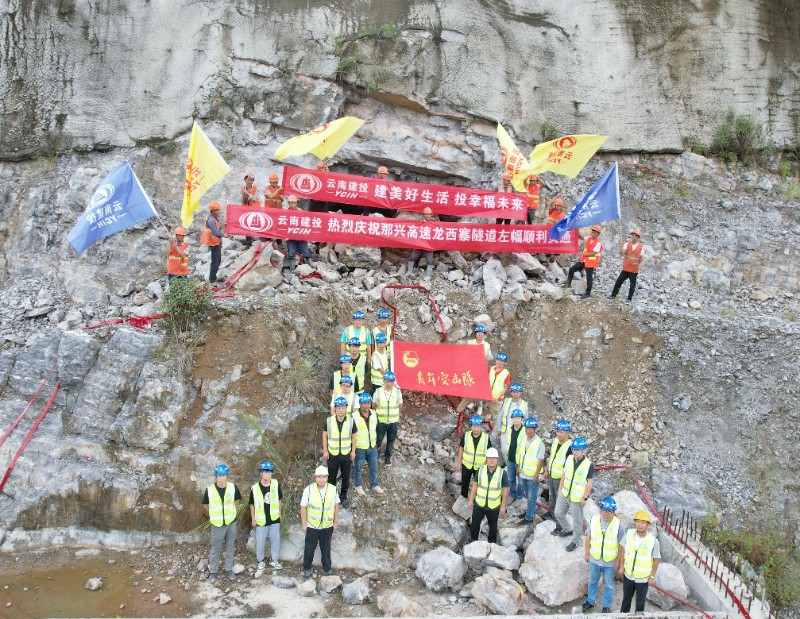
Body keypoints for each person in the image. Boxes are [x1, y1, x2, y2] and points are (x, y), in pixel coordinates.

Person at [583, 496, 624, 613]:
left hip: (610, 561)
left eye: (609, 511)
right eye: (604, 510)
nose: (606, 513)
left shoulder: (618, 524)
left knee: (609, 585)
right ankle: (590, 601)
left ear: (613, 512)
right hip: (594, 559)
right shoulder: (594, 520)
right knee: (593, 582)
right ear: (601, 510)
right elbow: (588, 537)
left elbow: (622, 545)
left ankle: (606, 606)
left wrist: (619, 562)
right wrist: (587, 553)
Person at [553, 436, 593, 552]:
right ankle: (568, 529)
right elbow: (564, 474)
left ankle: (575, 541)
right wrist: (560, 488)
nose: (574, 452)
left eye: (577, 450)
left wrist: (584, 497)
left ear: (583, 450)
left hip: (577, 497)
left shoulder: (588, 464)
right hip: (565, 493)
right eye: (573, 449)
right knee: (558, 513)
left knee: (577, 520)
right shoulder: (569, 458)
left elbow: (589, 483)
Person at [202, 463, 241, 582]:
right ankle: (213, 571)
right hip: (218, 524)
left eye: (224, 475)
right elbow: (205, 504)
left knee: (230, 547)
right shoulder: (210, 490)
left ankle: (229, 569)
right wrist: (213, 513)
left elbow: (237, 500)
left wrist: (231, 511)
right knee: (215, 548)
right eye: (219, 476)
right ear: (216, 477)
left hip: (231, 522)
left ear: (226, 476)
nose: (222, 478)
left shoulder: (233, 487)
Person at [300, 465, 340, 579]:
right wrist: (304, 524)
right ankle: (307, 568)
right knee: (309, 549)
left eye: (324, 477)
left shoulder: (333, 489)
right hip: (312, 526)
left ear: (327, 477)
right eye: (319, 477)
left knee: (326, 549)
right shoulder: (309, 489)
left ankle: (326, 569)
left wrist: (335, 522)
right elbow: (303, 507)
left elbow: (336, 506)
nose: (321, 479)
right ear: (315, 477)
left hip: (327, 526)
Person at [619, 511, 661, 613]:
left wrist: (652, 577)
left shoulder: (653, 541)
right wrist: (621, 566)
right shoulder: (629, 534)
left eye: (643, 523)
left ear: (648, 525)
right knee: (626, 600)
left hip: (643, 579)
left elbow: (656, 559)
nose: (640, 525)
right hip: (628, 575)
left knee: (640, 603)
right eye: (638, 522)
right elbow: (622, 548)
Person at [467, 447, 509, 543]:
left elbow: (505, 490)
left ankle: (492, 543)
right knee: (475, 524)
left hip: (494, 506)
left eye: (494, 458)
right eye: (490, 458)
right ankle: (473, 540)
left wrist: (503, 506)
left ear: (497, 459)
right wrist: (470, 500)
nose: (492, 460)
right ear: (486, 459)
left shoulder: (502, 473)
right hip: (479, 503)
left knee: (493, 526)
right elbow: (475, 485)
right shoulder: (481, 470)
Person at [457, 353, 511, 424]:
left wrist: (497, 397)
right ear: (496, 360)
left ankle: (497, 429)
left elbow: (505, 388)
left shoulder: (506, 373)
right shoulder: (492, 369)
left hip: (496, 399)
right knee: (469, 396)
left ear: (504, 363)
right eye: (498, 360)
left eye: (502, 361)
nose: (500, 362)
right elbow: (483, 371)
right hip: (486, 394)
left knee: (496, 417)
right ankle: (458, 411)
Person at [322, 398, 356, 508]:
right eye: (339, 408)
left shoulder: (351, 421)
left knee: (346, 476)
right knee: (331, 476)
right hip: (333, 454)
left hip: (346, 454)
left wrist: (353, 451)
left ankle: (343, 496)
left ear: (346, 409)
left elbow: (354, 437)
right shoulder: (328, 421)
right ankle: (332, 496)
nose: (341, 410)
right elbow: (324, 436)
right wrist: (325, 450)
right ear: (335, 409)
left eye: (343, 408)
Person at [249, 461, 282, 572]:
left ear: (272, 473)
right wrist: (253, 518)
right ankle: (260, 561)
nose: (267, 474)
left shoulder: (276, 484)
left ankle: (274, 560)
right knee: (260, 542)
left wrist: (280, 514)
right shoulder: (254, 488)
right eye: (265, 472)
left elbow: (279, 500)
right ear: (261, 473)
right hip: (261, 520)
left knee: (275, 540)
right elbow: (252, 504)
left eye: (269, 472)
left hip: (274, 518)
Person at [353, 392, 384, 496]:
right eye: (364, 403)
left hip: (372, 446)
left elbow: (377, 428)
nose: (366, 405)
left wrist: (378, 443)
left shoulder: (373, 413)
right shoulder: (354, 416)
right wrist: (352, 449)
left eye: (368, 403)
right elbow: (351, 434)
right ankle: (358, 485)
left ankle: (375, 484)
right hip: (360, 448)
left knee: (374, 467)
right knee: (358, 468)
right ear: (360, 404)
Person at [542, 419, 573, 520]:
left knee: (560, 498)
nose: (558, 434)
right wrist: (547, 470)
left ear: (567, 433)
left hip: (561, 478)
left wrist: (562, 483)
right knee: (553, 496)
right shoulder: (555, 441)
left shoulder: (570, 447)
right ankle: (551, 513)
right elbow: (551, 456)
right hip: (552, 474)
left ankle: (559, 517)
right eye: (558, 431)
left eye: (561, 432)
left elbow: (568, 467)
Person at [516, 417, 545, 524]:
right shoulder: (524, 439)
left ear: (534, 429)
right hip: (523, 473)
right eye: (526, 428)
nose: (528, 431)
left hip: (532, 475)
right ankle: (530, 512)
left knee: (532, 497)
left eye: (530, 429)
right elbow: (521, 455)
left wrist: (536, 475)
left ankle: (529, 518)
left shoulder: (539, 443)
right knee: (528, 496)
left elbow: (541, 460)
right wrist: (519, 467)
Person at [456, 415, 491, 499]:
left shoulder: (486, 438)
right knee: (464, 484)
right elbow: (461, 449)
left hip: (479, 467)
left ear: (481, 427)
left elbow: (489, 453)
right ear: (471, 426)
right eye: (474, 427)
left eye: (478, 427)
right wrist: (459, 463)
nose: (476, 429)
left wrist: (486, 466)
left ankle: (477, 500)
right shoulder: (466, 435)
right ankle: (463, 498)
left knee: (479, 485)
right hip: (466, 465)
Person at [565, 224, 603, 299]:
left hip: (591, 263)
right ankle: (568, 284)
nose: (593, 234)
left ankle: (588, 293)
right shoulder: (589, 238)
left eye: (595, 233)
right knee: (572, 269)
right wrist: (577, 229)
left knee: (589, 277)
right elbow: (579, 237)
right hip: (584, 260)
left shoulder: (598, 243)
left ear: (598, 234)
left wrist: (582, 254)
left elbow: (593, 253)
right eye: (592, 232)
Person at [373, 371, 403, 466]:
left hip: (393, 422)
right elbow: (374, 405)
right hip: (381, 421)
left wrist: (394, 413)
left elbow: (400, 404)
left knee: (391, 441)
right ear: (384, 381)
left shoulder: (397, 392)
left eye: (391, 381)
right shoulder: (378, 391)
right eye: (387, 381)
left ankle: (387, 457)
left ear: (393, 382)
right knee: (378, 440)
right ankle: (375, 456)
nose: (389, 383)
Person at [608, 228, 644, 303]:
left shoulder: (641, 246)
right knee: (618, 282)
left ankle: (629, 298)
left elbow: (641, 258)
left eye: (635, 235)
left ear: (638, 237)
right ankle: (613, 295)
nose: (633, 236)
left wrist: (636, 263)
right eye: (633, 235)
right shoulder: (627, 244)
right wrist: (621, 248)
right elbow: (622, 253)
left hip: (634, 270)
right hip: (626, 268)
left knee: (632, 285)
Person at [285, 195, 313, 271]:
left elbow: (305, 222)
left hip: (300, 236)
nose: (292, 204)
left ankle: (311, 266)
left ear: (296, 203)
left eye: (293, 203)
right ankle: (292, 269)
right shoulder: (286, 213)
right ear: (288, 203)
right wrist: (286, 235)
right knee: (291, 253)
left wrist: (306, 233)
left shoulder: (300, 211)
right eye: (290, 203)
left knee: (305, 251)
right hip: (291, 237)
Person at [407, 207, 436, 279]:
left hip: (428, 246)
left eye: (428, 214)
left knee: (429, 261)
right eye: (425, 214)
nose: (427, 216)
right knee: (412, 258)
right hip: (419, 245)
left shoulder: (434, 224)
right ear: (423, 215)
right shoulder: (419, 222)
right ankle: (409, 271)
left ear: (431, 215)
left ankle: (428, 275)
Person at [503, 410, 526, 501]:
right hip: (510, 459)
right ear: (512, 419)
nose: (516, 420)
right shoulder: (510, 428)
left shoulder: (525, 431)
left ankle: (519, 497)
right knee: (510, 479)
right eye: (515, 418)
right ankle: (512, 495)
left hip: (520, 461)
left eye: (518, 418)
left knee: (520, 482)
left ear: (521, 419)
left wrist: (520, 464)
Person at [201, 202, 226, 283]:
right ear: (214, 211)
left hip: (216, 243)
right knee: (215, 262)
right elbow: (215, 232)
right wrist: (224, 235)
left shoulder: (214, 219)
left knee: (217, 261)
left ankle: (213, 277)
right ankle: (212, 279)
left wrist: (221, 226)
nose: (219, 212)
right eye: (218, 210)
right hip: (213, 243)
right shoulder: (211, 220)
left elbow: (216, 228)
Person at [241, 172, 261, 247]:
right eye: (248, 180)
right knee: (246, 226)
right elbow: (241, 200)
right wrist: (244, 196)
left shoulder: (255, 188)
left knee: (255, 225)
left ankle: (257, 242)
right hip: (246, 210)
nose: (250, 182)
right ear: (245, 180)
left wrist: (248, 194)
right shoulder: (242, 189)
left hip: (254, 210)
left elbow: (256, 199)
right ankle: (248, 243)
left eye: (251, 180)